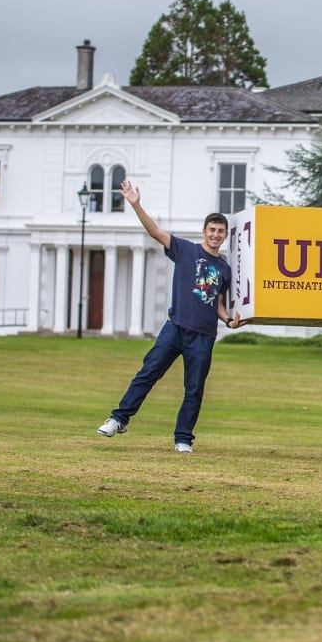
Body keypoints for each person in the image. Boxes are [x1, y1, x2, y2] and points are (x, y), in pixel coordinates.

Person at [96, 181, 236, 453]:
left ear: (225, 235)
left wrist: (229, 320)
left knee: (194, 390)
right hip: (175, 329)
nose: (216, 235)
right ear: (204, 231)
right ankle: (118, 419)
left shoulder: (224, 268)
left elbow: (217, 302)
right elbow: (154, 231)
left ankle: (183, 438)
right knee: (147, 374)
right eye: (212, 230)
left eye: (221, 231)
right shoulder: (185, 250)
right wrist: (136, 204)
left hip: (204, 336)